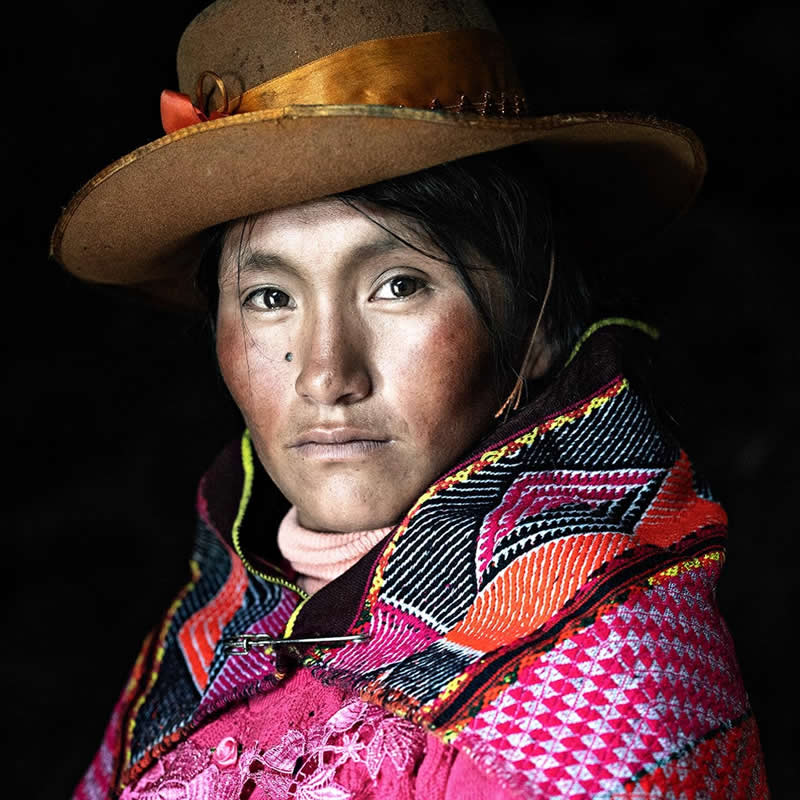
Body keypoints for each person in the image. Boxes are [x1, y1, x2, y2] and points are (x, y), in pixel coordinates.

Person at [51, 0, 770, 797]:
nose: (326, 375)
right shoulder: (203, 646)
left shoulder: (606, 681)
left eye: (398, 285)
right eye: (268, 298)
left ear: (531, 324)